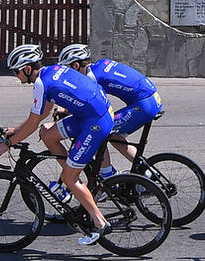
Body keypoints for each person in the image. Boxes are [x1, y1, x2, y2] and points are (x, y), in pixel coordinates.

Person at [0, 44, 115, 246]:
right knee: (47, 134)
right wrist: (16, 130)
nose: (15, 76)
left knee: (69, 178)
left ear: (27, 69)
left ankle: (100, 223)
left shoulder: (41, 83)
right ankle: (75, 177)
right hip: (92, 113)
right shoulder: (51, 71)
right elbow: (41, 115)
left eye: (16, 71)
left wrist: (8, 144)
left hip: (96, 121)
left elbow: (32, 122)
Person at [54, 44, 162, 177]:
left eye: (68, 70)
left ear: (76, 66)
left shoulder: (91, 78)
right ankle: (148, 173)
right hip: (151, 99)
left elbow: (88, 104)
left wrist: (66, 110)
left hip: (144, 104)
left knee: (98, 131)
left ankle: (107, 175)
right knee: (115, 136)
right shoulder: (100, 65)